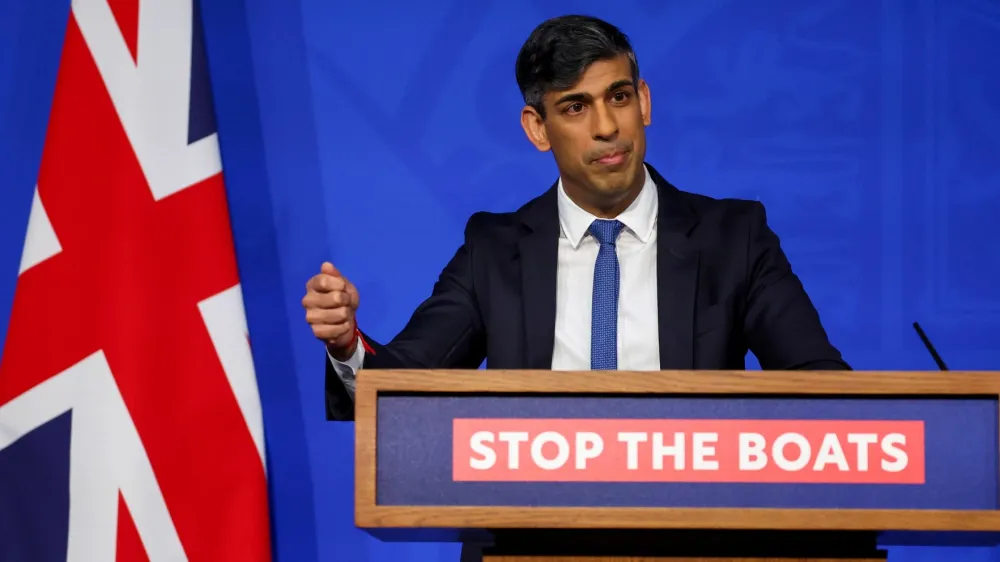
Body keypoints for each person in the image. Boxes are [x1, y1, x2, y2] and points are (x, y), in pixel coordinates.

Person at [302, 14, 850, 421]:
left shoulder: (734, 238)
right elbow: (403, 387)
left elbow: (822, 387)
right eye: (575, 107)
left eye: (619, 96)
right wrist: (347, 344)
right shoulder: (496, 251)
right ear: (537, 129)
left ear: (645, 103)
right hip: (529, 531)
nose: (607, 127)